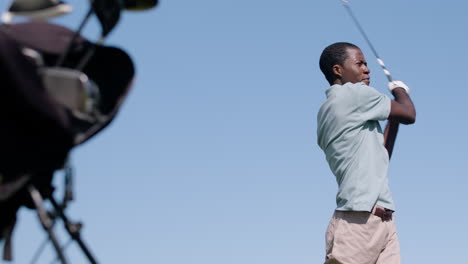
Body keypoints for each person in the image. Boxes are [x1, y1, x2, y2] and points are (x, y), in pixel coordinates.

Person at [317, 42, 416, 264]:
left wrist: (393, 116)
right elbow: (409, 113)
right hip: (358, 220)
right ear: (337, 70)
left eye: (366, 64)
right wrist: (400, 91)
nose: (367, 69)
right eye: (359, 63)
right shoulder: (353, 94)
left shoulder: (332, 107)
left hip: (383, 220)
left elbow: (382, 156)